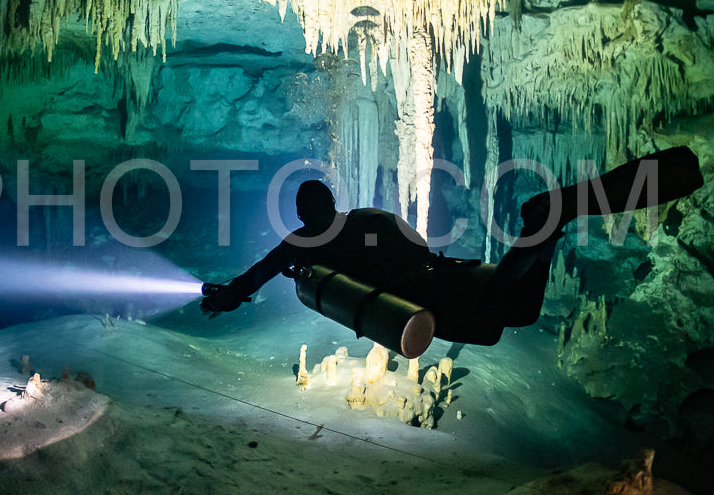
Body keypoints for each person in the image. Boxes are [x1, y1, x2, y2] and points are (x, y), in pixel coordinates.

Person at [200, 147, 704, 348]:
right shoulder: (365, 218)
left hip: (429, 295)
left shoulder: (302, 241)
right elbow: (411, 243)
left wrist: (228, 295)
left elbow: (260, 274)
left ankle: (550, 219)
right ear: (331, 201)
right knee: (518, 307)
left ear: (301, 212)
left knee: (511, 309)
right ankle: (552, 220)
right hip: (446, 270)